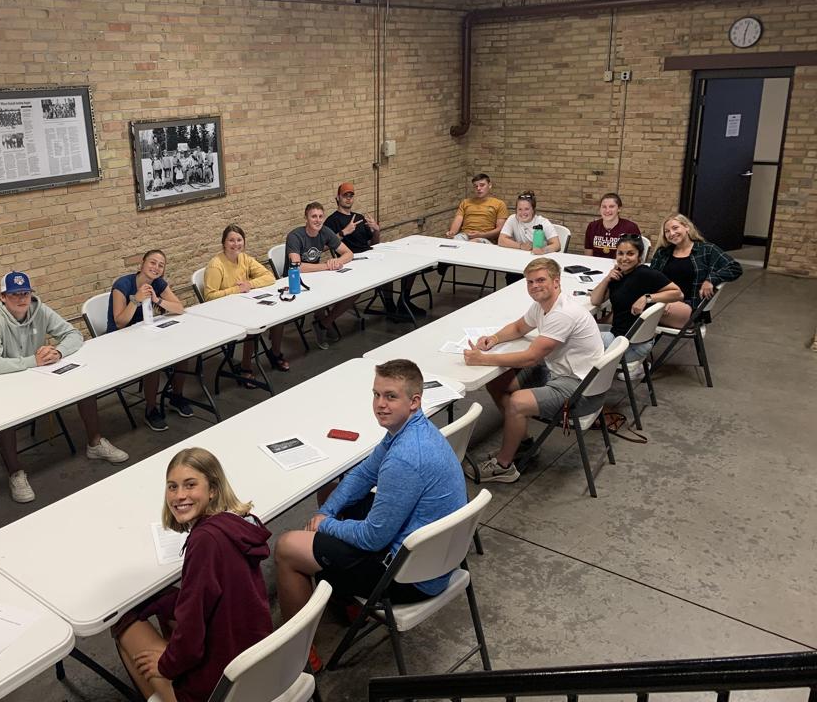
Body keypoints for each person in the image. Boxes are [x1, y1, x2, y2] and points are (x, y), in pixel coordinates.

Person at [274, 359, 466, 669]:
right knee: (331, 494)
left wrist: (325, 525)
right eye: (376, 394)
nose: (380, 404)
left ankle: (297, 655)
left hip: (409, 576)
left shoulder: (405, 458)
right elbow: (364, 474)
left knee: (287, 547)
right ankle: (348, 602)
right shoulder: (410, 430)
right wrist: (327, 511)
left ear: (414, 401)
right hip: (432, 556)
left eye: (391, 396)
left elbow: (373, 537)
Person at [114, 447, 272, 702]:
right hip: (253, 662)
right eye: (172, 487)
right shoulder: (237, 526)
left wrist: (166, 665)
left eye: (190, 485)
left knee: (122, 622)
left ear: (213, 489)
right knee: (164, 599)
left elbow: (192, 633)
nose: (179, 496)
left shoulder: (205, 541)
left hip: (218, 686)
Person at [0, 271, 129, 503]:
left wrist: (58, 352)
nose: (21, 299)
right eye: (14, 294)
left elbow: (73, 334)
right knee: (2, 414)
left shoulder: (40, 309)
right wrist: (32, 361)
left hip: (38, 376)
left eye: (25, 293)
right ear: (2, 297)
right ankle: (15, 472)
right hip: (6, 381)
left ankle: (95, 443)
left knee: (84, 384)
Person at [464, 258, 604, 483]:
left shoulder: (563, 314)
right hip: (562, 372)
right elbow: (519, 327)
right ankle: (523, 444)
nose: (534, 286)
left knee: (517, 402)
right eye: (530, 282)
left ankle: (504, 466)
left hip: (581, 388)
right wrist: (495, 338)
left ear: (556, 282)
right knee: (497, 383)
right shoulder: (543, 305)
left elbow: (531, 357)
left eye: (540, 280)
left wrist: (483, 359)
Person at [107, 249, 195, 432]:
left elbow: (179, 308)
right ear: (142, 264)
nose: (156, 267)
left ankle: (176, 396)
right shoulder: (123, 285)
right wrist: (135, 300)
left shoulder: (158, 283)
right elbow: (120, 322)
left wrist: (158, 300)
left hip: (146, 333)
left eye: (161, 265)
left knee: (184, 352)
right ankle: (151, 409)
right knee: (153, 361)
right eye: (152, 262)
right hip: (120, 339)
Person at [323, 181, 423, 322]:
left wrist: (376, 230)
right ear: (338, 198)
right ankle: (390, 306)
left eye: (351, 195)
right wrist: (343, 232)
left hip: (370, 255)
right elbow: (323, 246)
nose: (348, 198)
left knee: (409, 264)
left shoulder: (359, 217)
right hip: (352, 260)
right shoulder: (332, 220)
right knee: (386, 268)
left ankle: (404, 301)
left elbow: (374, 244)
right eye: (345, 195)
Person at [203, 224, 281, 387]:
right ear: (223, 243)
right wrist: (236, 289)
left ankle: (275, 354)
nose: (236, 244)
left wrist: (249, 284)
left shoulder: (244, 258)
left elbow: (269, 277)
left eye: (239, 240)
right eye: (231, 240)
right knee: (253, 325)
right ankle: (246, 366)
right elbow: (209, 297)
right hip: (223, 312)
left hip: (244, 304)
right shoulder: (216, 265)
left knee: (278, 315)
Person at [591, 234, 683, 362]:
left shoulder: (645, 274)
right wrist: (607, 279)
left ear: (639, 256)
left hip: (630, 345)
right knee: (582, 332)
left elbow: (678, 293)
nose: (624, 258)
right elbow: (595, 300)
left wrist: (647, 298)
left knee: (575, 339)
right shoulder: (618, 275)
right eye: (620, 253)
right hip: (622, 338)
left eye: (630, 254)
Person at [282, 201, 354, 353]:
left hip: (318, 276)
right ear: (306, 218)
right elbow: (297, 267)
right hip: (296, 281)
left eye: (321, 216)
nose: (318, 220)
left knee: (354, 291)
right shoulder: (295, 236)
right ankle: (322, 322)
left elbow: (349, 253)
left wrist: (337, 262)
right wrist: (326, 266)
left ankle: (324, 324)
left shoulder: (325, 231)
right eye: (313, 216)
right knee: (321, 297)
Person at [650, 214, 743, 329]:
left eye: (675, 228)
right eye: (667, 231)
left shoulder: (707, 250)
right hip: (662, 300)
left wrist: (711, 279)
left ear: (687, 227)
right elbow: (651, 279)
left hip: (690, 307)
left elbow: (735, 267)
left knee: (637, 313)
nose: (671, 233)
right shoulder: (663, 252)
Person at [498, 191, 561, 284]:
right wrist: (520, 246)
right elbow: (501, 240)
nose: (523, 213)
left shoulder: (543, 222)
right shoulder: (513, 219)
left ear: (533, 210)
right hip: (518, 262)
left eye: (527, 209)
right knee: (512, 276)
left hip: (539, 263)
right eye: (520, 209)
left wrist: (543, 250)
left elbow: (557, 245)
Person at [446, 173, 508, 243]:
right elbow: (458, 220)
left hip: (485, 238)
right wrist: (452, 233)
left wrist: (481, 235)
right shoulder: (465, 202)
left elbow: (500, 229)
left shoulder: (499, 204)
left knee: (473, 243)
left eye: (482, 185)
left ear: (490, 185)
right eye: (476, 186)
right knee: (454, 241)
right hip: (465, 235)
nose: (478, 188)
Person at [584, 193, 641, 258]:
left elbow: (636, 257)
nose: (607, 210)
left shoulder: (631, 228)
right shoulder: (592, 227)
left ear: (619, 208)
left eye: (611, 206)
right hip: (596, 264)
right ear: (600, 209)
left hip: (621, 264)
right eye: (604, 207)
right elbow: (588, 256)